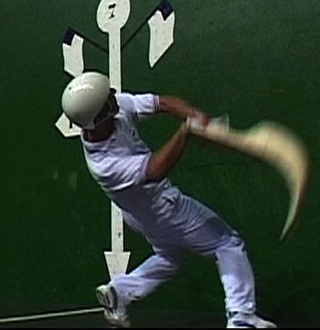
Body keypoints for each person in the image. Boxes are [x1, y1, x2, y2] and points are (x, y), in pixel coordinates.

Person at [60, 71, 277, 329]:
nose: (115, 97)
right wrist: (186, 131)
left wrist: (194, 116)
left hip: (141, 216)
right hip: (164, 207)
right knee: (227, 243)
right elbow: (155, 169)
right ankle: (241, 317)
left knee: (170, 257)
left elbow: (161, 102)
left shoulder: (113, 109)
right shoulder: (103, 164)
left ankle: (119, 292)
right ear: (97, 118)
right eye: (108, 100)